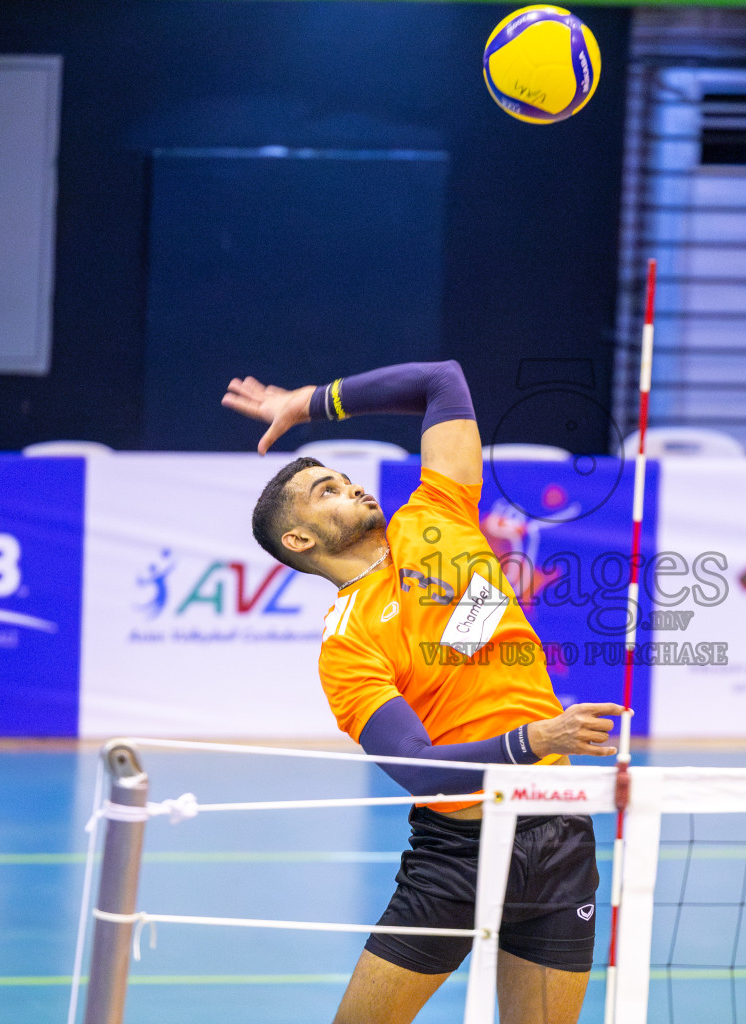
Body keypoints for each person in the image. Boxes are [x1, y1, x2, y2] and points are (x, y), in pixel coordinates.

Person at [222, 360, 623, 1024]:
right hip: (457, 856)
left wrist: (308, 402)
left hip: (559, 841)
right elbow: (421, 769)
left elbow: (443, 380)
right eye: (328, 491)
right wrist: (535, 739)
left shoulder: (434, 513)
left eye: (346, 480)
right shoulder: (347, 645)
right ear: (299, 540)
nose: (351, 489)